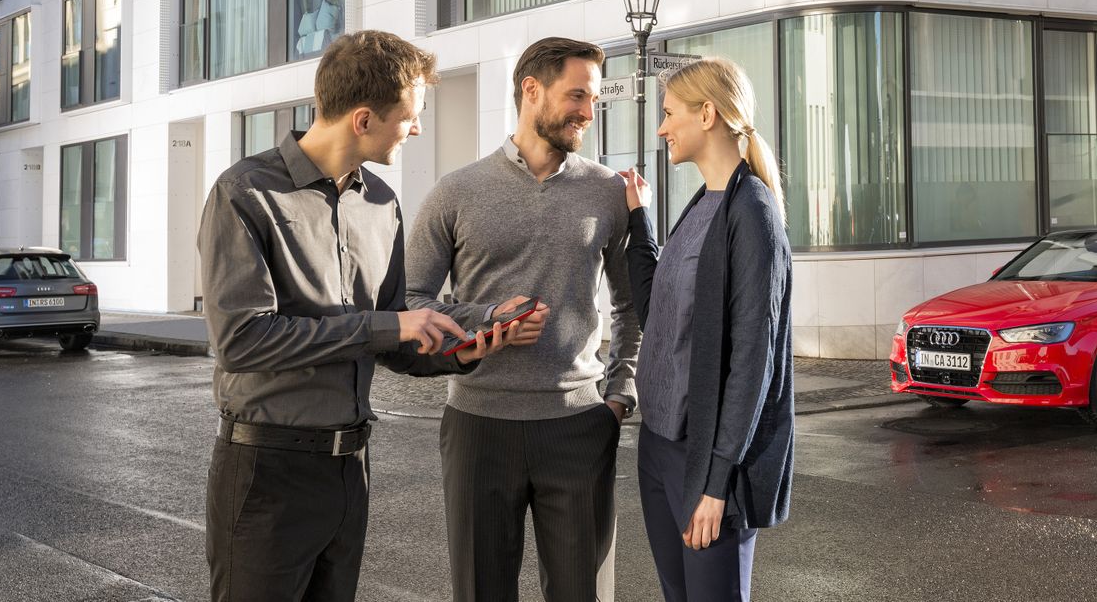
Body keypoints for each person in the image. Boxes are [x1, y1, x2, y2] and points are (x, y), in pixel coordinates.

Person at [199, 30, 545, 602]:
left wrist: (470, 342)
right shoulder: (245, 193)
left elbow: (392, 332)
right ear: (363, 119)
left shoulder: (381, 204)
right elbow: (242, 340)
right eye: (410, 116)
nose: (417, 129)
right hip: (266, 471)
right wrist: (391, 325)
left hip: (350, 469)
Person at [406, 36, 642, 602]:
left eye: (593, 100)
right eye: (577, 96)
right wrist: (485, 319)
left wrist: (619, 394)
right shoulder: (455, 192)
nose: (588, 112)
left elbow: (631, 304)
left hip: (578, 424)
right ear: (531, 90)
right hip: (478, 427)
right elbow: (410, 299)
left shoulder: (608, 193)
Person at [619, 57, 795, 602]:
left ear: (708, 114)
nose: (661, 128)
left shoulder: (753, 212)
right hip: (659, 444)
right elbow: (658, 312)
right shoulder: (700, 204)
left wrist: (717, 484)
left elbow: (752, 361)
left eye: (670, 113)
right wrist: (639, 219)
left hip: (707, 461)